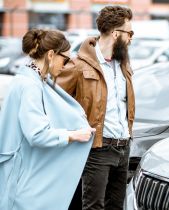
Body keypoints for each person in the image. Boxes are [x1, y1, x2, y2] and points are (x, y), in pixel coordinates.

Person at [0, 29, 96, 210]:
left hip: (18, 173)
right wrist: (73, 135)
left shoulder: (29, 79)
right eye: (66, 59)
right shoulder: (30, 85)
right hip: (20, 180)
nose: (67, 65)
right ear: (51, 55)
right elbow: (36, 134)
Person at [57, 6, 135, 210]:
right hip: (97, 149)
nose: (131, 39)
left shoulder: (123, 63)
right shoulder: (79, 65)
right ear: (116, 33)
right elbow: (53, 102)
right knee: (93, 207)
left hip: (123, 147)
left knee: (116, 206)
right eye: (130, 33)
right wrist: (72, 133)